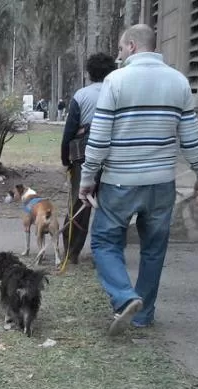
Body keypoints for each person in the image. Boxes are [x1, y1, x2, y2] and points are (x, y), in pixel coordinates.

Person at [79, 24, 198, 335]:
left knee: (104, 241)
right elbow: (191, 138)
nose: (119, 55)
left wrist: (87, 179)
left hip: (120, 181)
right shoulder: (179, 82)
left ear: (133, 46)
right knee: (154, 248)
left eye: (122, 49)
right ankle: (143, 314)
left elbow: (98, 139)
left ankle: (124, 298)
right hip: (162, 183)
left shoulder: (115, 81)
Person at [60, 52, 117, 265]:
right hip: (113, 155)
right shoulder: (119, 92)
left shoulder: (81, 95)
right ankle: (106, 253)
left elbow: (69, 131)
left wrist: (66, 159)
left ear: (89, 73)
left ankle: (71, 252)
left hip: (82, 155)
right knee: (109, 205)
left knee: (79, 204)